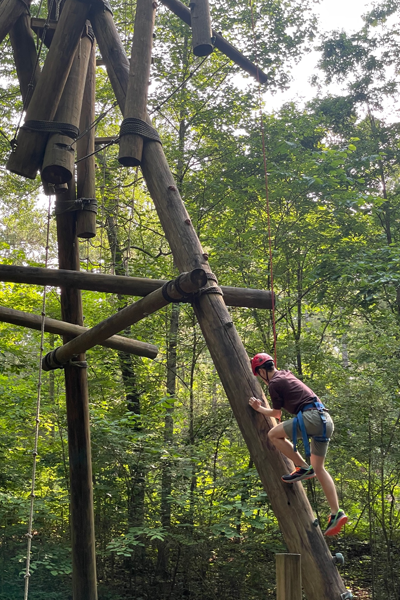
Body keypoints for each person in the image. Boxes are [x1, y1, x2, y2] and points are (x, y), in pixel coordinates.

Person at [249, 352, 348, 537]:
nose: (261, 380)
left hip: (312, 418)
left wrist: (258, 408)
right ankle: (336, 512)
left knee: (273, 435)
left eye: (258, 374)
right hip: (326, 420)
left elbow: (276, 415)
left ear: (262, 371)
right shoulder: (285, 374)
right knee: (320, 469)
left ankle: (302, 466)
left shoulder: (275, 383)